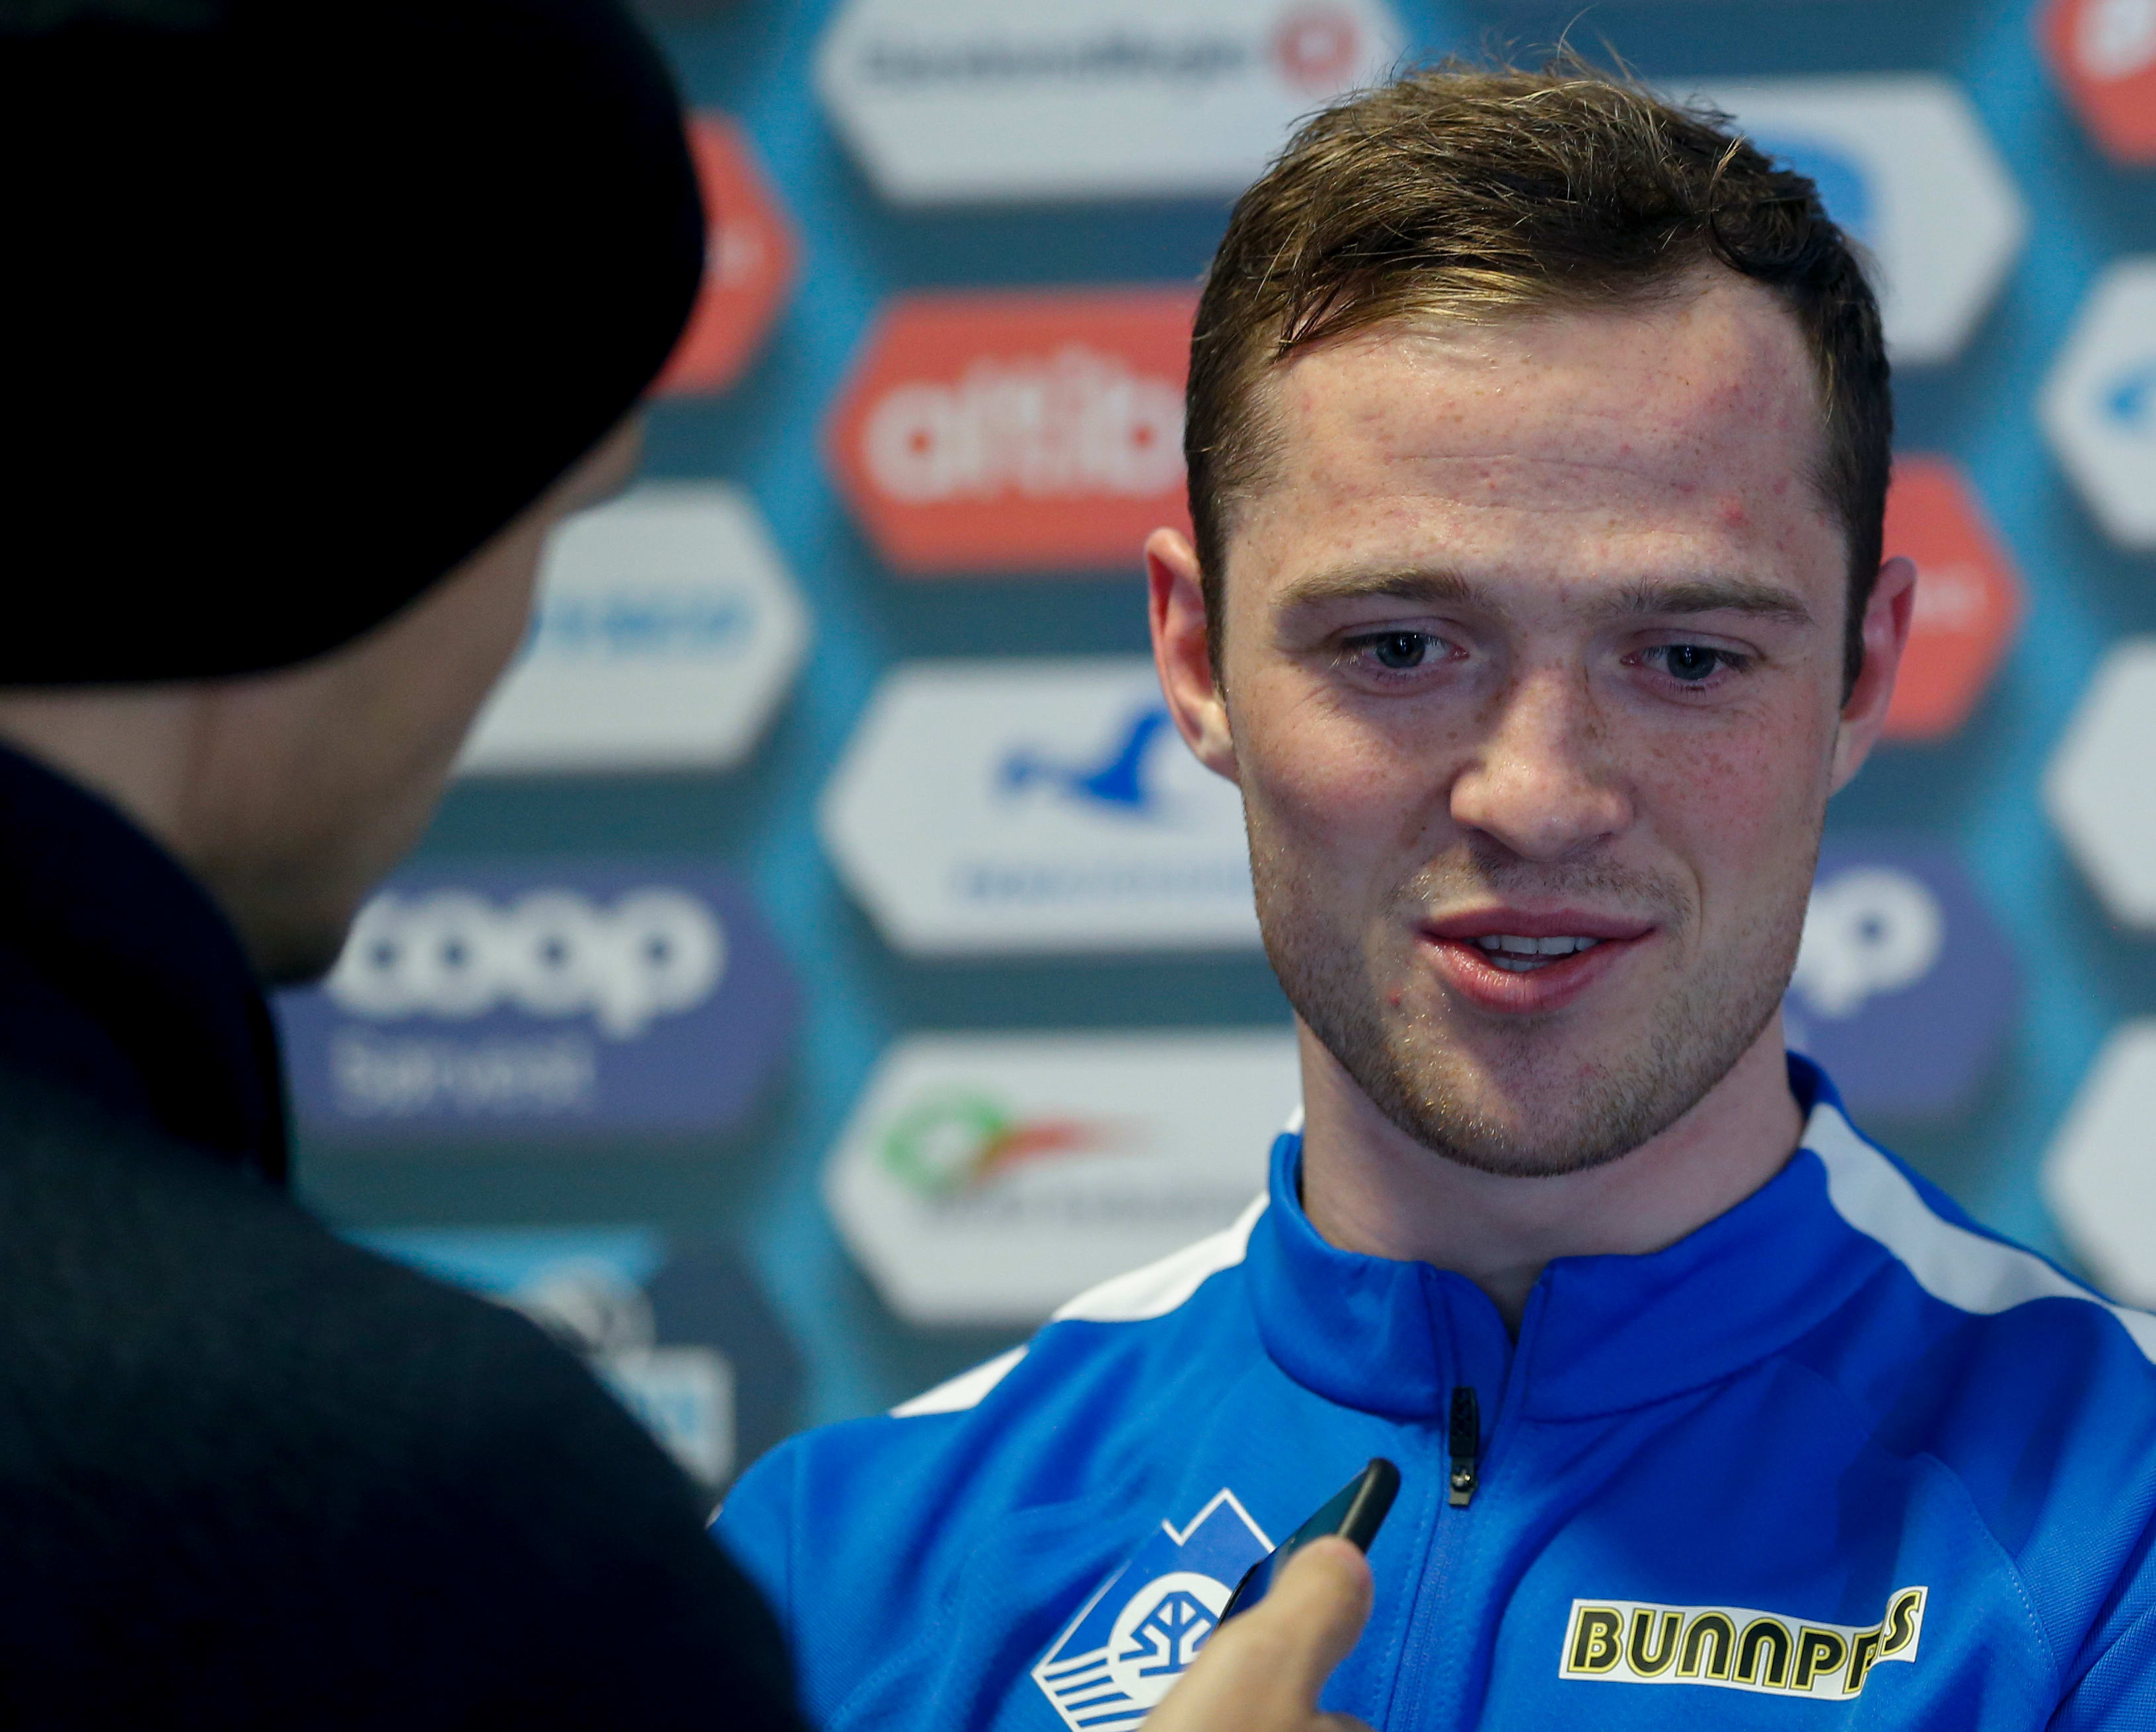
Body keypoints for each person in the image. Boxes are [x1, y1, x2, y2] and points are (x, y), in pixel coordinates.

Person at [713, 61, 2156, 1731]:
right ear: (1196, 657)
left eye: (1686, 657)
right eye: (1401, 648)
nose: (1538, 797)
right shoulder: (828, 1575)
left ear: (1861, 675)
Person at [0, 3, 1370, 1727]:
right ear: (350, 518)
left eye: (1672, 655)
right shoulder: (424, 1529)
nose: (1533, 789)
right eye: (559, 520)